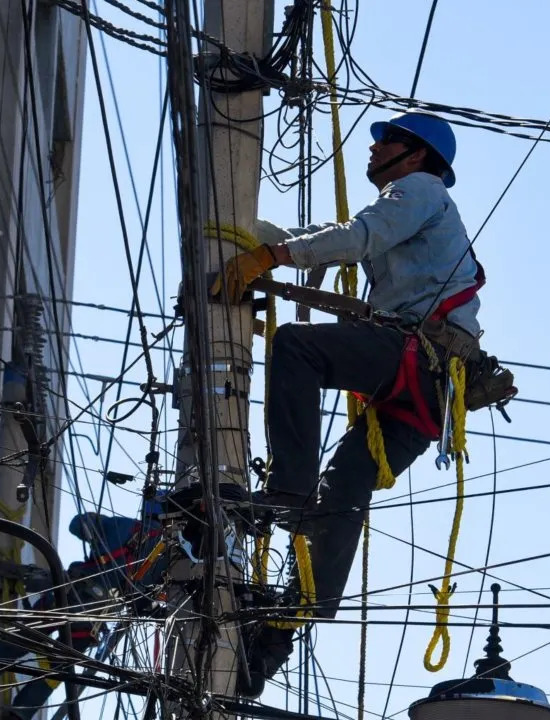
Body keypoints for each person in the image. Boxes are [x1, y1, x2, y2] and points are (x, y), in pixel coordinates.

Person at [213, 111, 486, 685]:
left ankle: (287, 490)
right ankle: (282, 630)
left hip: (417, 358)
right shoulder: (405, 201)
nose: (373, 147)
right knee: (345, 486)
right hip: (431, 391)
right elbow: (335, 235)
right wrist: (258, 238)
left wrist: (270, 257)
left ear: (414, 155)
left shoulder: (420, 190)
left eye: (386, 140)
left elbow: (356, 238)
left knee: (296, 349)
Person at [0, 505, 167, 719]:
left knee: (17, 645)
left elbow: (77, 525)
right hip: (89, 618)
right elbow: (141, 603)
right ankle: (16, 715)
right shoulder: (162, 556)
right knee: (53, 670)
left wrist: (91, 524)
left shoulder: (126, 527)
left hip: (67, 596)